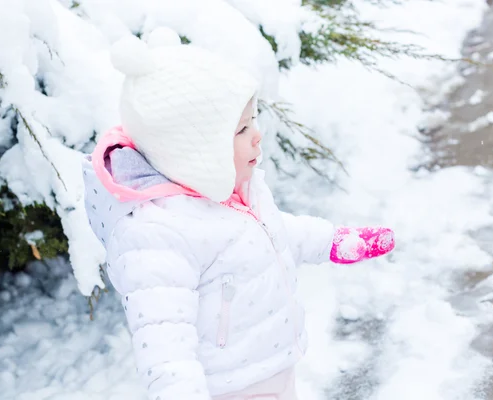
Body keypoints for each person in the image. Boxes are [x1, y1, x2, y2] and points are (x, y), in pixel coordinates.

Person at [82, 27, 395, 400]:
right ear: (195, 151)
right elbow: (165, 346)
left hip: (271, 369)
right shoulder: (159, 233)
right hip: (229, 388)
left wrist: (330, 240)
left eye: (253, 120)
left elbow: (266, 234)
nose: (258, 135)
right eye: (242, 128)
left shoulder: (233, 189)